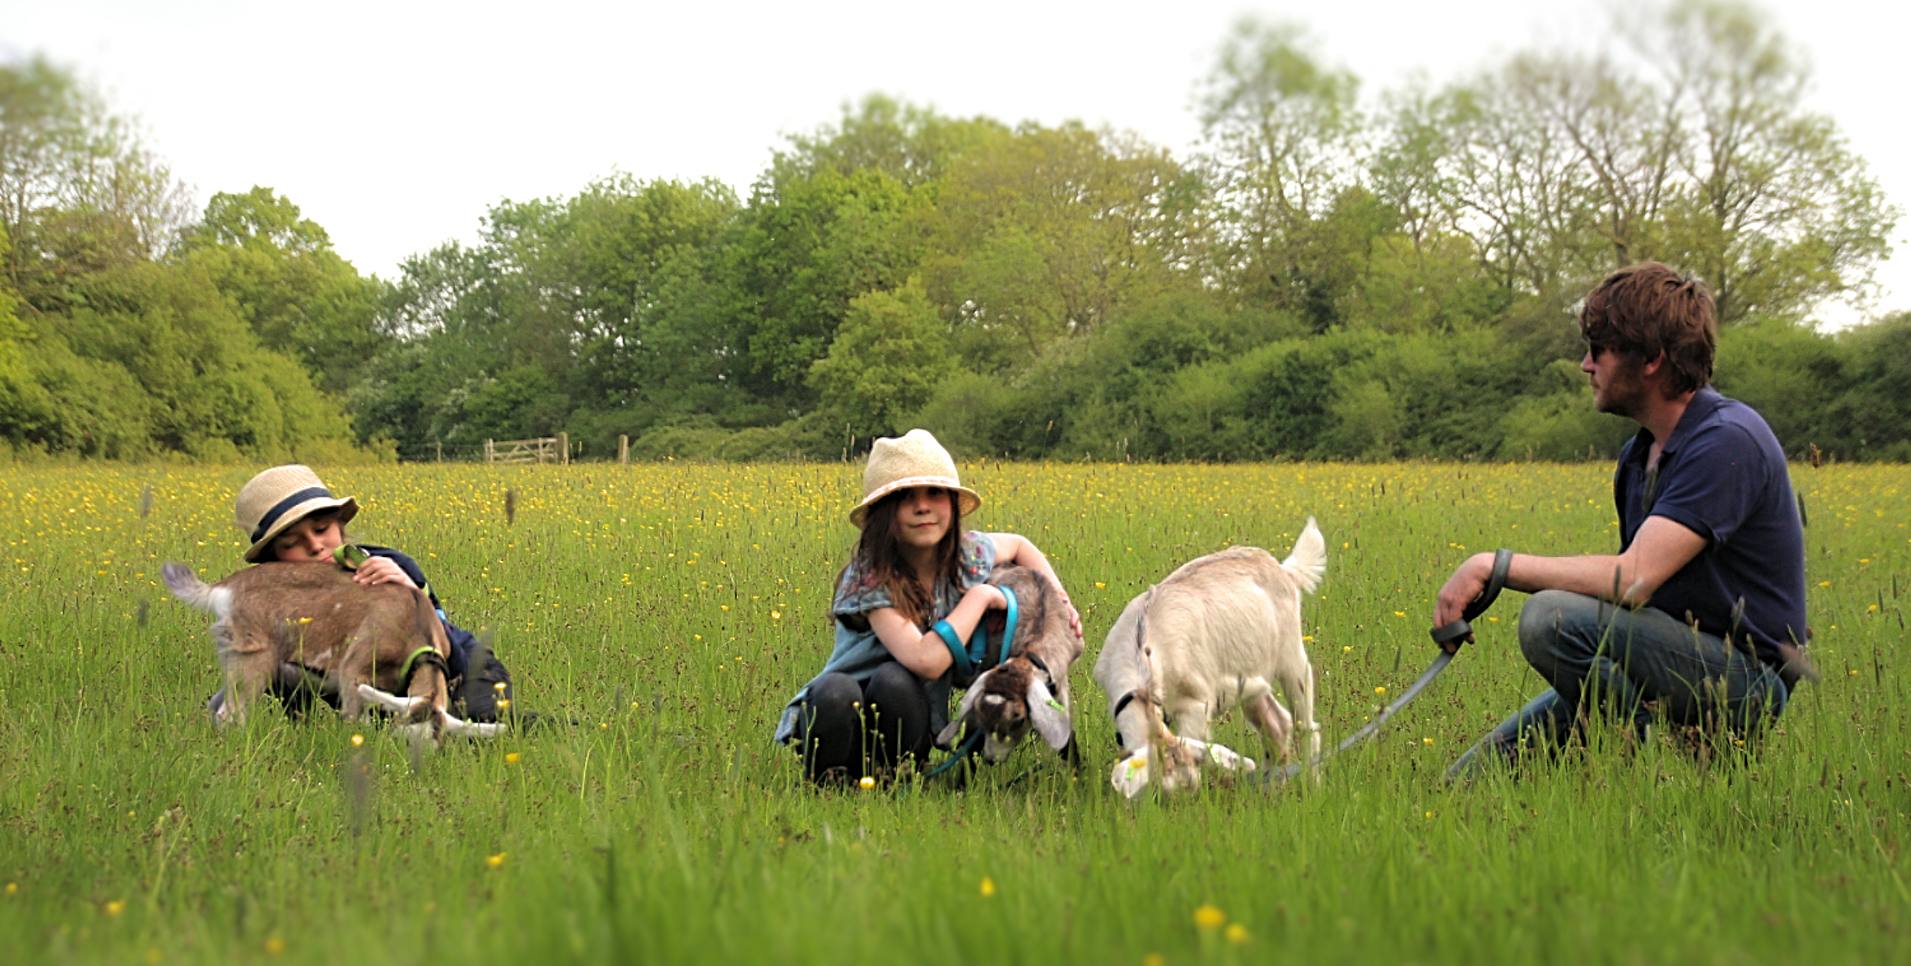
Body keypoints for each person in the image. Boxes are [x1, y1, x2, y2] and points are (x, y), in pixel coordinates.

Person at [1437, 263, 1808, 778]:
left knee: (1551, 618)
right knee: (1467, 785)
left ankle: (1620, 769)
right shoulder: (1639, 458)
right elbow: (1639, 602)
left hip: (1746, 679)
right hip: (1675, 661)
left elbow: (1633, 580)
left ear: (1652, 359)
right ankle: (1621, 765)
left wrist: (1494, 566)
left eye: (1599, 350)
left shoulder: (1728, 441)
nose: (1586, 365)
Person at [773, 429, 1080, 784]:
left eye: (935, 493)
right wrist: (980, 598)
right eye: (906, 497)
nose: (923, 506)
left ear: (951, 503)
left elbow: (1019, 545)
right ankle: (830, 784)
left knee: (896, 684)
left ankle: (896, 777)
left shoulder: (967, 554)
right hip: (841, 719)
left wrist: (1060, 601)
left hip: (906, 711)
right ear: (884, 514)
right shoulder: (871, 576)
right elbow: (927, 661)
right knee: (837, 692)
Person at [206, 464, 515, 722]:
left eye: (321, 528)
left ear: (339, 526)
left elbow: (454, 659)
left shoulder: (389, 568)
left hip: (467, 672)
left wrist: (412, 596)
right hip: (379, 695)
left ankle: (554, 730)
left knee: (472, 727)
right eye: (292, 543)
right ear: (273, 561)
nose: (315, 546)